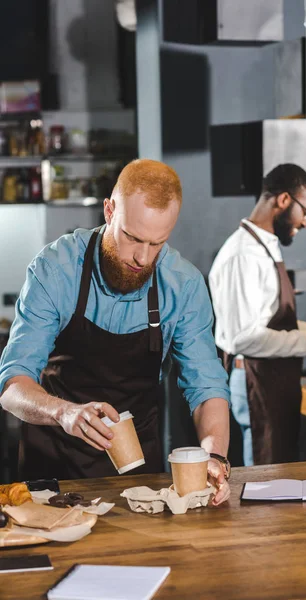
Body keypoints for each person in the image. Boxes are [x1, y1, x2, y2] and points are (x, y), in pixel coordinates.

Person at [0, 159, 231, 505]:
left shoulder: (182, 285)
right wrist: (64, 413)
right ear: (109, 211)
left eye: (157, 244)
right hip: (52, 466)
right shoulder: (56, 268)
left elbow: (207, 386)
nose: (142, 257)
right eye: (133, 238)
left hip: (137, 473)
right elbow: (12, 386)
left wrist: (214, 455)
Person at [209, 163, 306, 467]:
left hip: (272, 381)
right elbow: (247, 338)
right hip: (256, 382)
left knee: (277, 477)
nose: (305, 222)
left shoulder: (263, 247)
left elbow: (274, 323)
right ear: (283, 200)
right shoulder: (244, 255)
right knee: (263, 490)